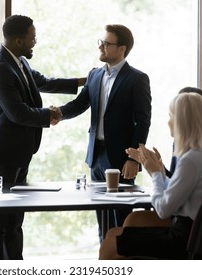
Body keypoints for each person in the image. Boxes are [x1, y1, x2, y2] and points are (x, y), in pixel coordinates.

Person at [0, 14, 85, 260]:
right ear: (18, 41)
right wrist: (51, 114)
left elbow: (44, 82)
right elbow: (16, 112)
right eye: (32, 38)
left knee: (15, 216)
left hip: (21, 150)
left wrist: (84, 81)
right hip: (3, 151)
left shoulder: (19, 62)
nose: (35, 42)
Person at [99, 92, 202, 260]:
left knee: (109, 245)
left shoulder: (190, 160)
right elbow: (181, 191)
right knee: (123, 227)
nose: (169, 122)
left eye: (172, 116)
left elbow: (163, 209)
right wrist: (155, 168)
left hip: (184, 240)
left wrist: (156, 174)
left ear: (182, 121)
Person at [57, 24, 152, 241]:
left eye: (106, 43)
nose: (100, 47)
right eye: (100, 42)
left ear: (121, 49)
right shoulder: (94, 75)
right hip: (96, 157)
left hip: (121, 159)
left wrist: (133, 157)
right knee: (102, 218)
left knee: (121, 220)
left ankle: (124, 264)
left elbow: (143, 121)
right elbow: (80, 104)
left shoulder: (137, 79)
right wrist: (57, 114)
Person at [126, 86, 202, 176]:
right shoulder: (182, 141)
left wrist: (156, 172)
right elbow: (175, 179)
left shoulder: (197, 154)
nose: (171, 122)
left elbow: (173, 190)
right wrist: (157, 165)